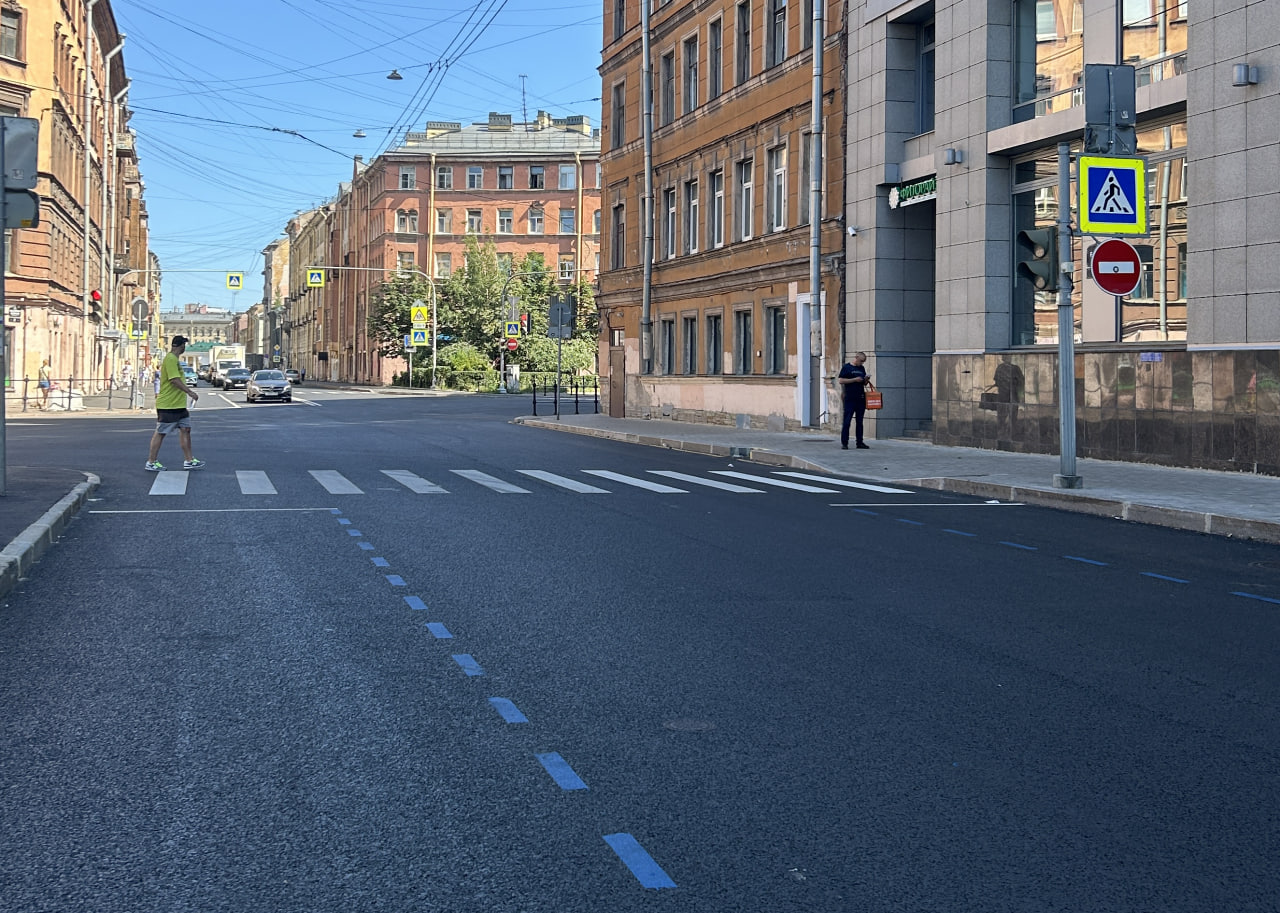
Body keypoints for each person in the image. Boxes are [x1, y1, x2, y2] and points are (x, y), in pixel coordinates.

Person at [145, 336, 203, 472]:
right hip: (168, 405)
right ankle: (151, 462)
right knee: (161, 432)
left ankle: (189, 460)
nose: (184, 347)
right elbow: (174, 379)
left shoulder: (174, 359)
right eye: (184, 345)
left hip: (179, 405)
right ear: (181, 346)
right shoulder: (171, 359)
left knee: (186, 429)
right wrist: (189, 392)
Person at [837, 351, 872, 450]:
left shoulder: (861, 368)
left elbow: (864, 383)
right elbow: (841, 380)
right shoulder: (847, 367)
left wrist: (866, 379)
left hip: (860, 397)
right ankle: (845, 443)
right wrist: (854, 380)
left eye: (863, 361)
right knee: (847, 421)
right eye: (861, 361)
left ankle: (859, 442)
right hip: (850, 397)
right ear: (856, 358)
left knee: (859, 421)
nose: (862, 363)